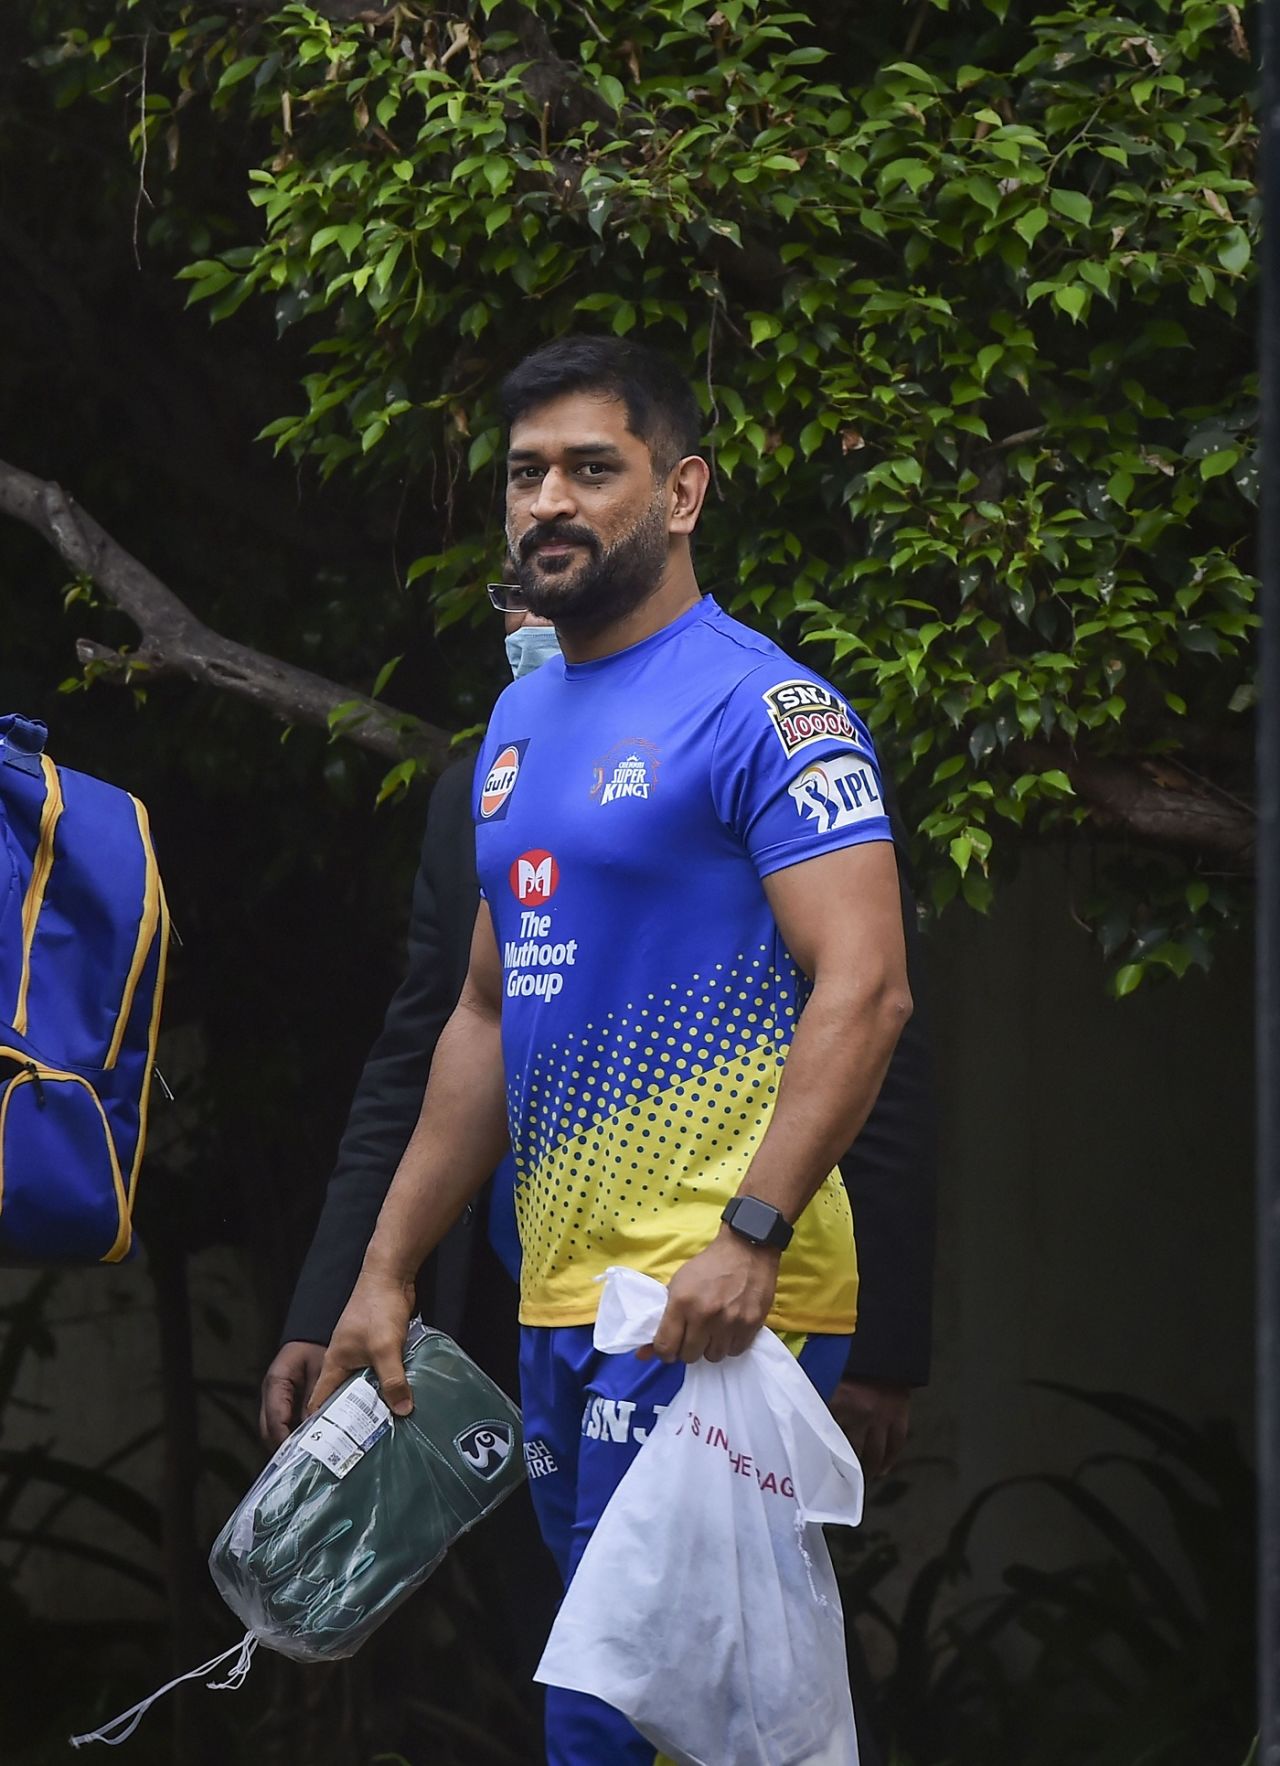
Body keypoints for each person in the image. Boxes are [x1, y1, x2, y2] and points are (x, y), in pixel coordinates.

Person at [301, 335, 921, 1765]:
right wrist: (382, 1274)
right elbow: (482, 1014)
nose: (550, 504)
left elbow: (868, 988)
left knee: (606, 1714)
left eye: (593, 467)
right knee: (677, 1722)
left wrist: (752, 1232)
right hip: (559, 1296)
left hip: (714, 1304)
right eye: (526, 476)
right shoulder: (516, 729)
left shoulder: (771, 709)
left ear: (683, 490)